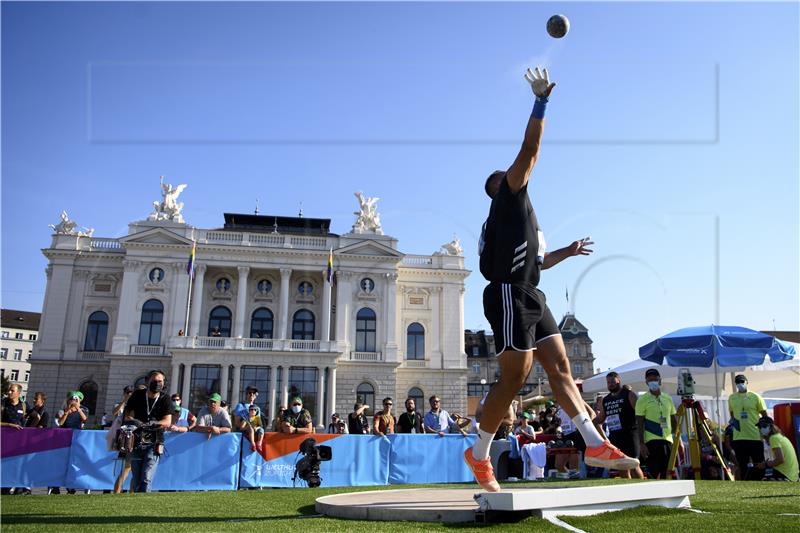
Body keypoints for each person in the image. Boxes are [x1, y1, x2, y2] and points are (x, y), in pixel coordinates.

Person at [465, 66, 638, 492]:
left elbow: (539, 260)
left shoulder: (524, 220)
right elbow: (530, 149)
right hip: (506, 293)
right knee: (515, 377)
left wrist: (569, 251)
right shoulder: (507, 197)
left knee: (561, 366)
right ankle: (480, 452)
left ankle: (595, 443)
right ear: (499, 186)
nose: (509, 173)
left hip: (530, 291)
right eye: (502, 174)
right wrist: (541, 101)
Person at [123, 369, 171, 492]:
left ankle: (143, 504)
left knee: (146, 478)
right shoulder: (137, 395)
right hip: (136, 441)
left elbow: (167, 421)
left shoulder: (165, 398)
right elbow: (127, 416)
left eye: (160, 381)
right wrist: (135, 422)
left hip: (155, 441)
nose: (157, 384)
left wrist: (154, 424)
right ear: (147, 381)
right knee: (137, 477)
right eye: (154, 381)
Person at [595, 372, 644, 479]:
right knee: (621, 467)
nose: (610, 384)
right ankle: (628, 493)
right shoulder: (606, 399)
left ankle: (642, 490)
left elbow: (640, 416)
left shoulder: (629, 394)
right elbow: (600, 419)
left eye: (613, 381)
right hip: (615, 437)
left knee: (633, 465)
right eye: (608, 382)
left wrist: (642, 439)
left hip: (630, 435)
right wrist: (589, 423)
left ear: (618, 380)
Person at [635, 368, 680, 479]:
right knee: (654, 474)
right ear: (646, 382)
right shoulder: (642, 400)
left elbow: (674, 420)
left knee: (668, 473)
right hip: (652, 442)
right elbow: (639, 423)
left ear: (660, 380)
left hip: (668, 440)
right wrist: (641, 444)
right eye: (650, 380)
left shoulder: (667, 398)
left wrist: (678, 440)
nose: (653, 382)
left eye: (655, 379)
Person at [728, 374, 768, 480]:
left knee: (759, 463)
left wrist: (765, 432)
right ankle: (745, 485)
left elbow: (764, 415)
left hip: (755, 436)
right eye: (738, 382)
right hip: (739, 437)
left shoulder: (755, 397)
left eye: (742, 381)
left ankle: (760, 482)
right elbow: (732, 415)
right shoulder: (732, 398)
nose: (740, 384)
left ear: (747, 382)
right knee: (742, 464)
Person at [755, 416, 798, 482]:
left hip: (786, 475)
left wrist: (765, 464)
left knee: (761, 477)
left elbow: (780, 460)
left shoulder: (773, 438)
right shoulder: (780, 436)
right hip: (792, 475)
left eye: (764, 425)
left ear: (771, 426)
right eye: (759, 427)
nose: (761, 428)